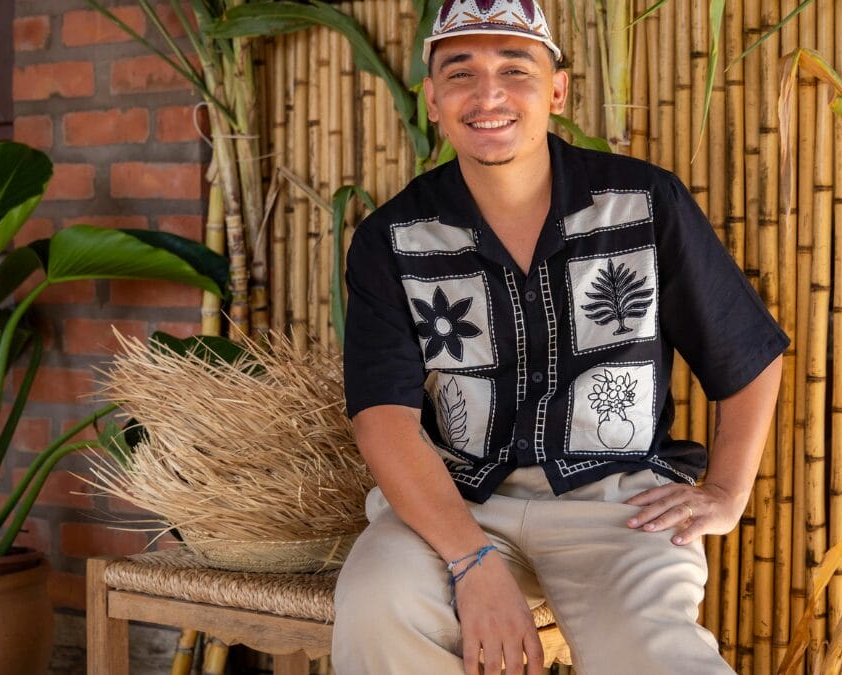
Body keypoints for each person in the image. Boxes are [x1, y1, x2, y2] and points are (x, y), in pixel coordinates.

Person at [332, 1, 788, 673]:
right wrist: (471, 560)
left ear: (556, 90)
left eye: (515, 70)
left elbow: (746, 353)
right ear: (432, 100)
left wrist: (727, 492)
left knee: (656, 656)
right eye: (460, 73)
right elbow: (384, 417)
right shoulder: (393, 238)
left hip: (617, 505)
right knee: (377, 605)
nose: (488, 95)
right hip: (460, 501)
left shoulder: (644, 204)